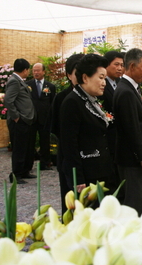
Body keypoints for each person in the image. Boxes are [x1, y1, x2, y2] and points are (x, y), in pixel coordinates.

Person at [59, 53, 114, 198]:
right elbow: (69, 144)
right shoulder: (72, 102)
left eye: (105, 78)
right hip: (86, 174)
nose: (104, 83)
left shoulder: (91, 100)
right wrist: (77, 178)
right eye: (101, 78)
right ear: (85, 78)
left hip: (100, 169)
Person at [113, 48, 142, 215]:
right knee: (134, 200)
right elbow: (132, 129)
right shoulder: (126, 92)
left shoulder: (131, 88)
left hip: (133, 157)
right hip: (132, 159)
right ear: (132, 66)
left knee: (138, 196)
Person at [50, 53, 84, 214]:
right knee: (70, 202)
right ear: (69, 74)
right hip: (68, 156)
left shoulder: (95, 95)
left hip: (89, 159)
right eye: (76, 72)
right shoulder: (62, 98)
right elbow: (56, 128)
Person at [4, 58, 37, 184]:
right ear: (25, 70)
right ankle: (16, 174)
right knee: (19, 148)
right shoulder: (14, 81)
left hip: (26, 120)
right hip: (20, 121)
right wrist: (16, 116)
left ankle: (24, 171)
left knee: (27, 147)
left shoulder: (18, 80)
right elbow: (8, 101)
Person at [98, 51, 124, 202]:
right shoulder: (102, 84)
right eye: (116, 64)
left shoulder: (121, 83)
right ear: (106, 65)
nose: (120, 68)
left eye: (122, 65)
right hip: (108, 135)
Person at [26, 63, 56, 170]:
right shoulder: (27, 85)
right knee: (30, 142)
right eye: (34, 70)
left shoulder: (50, 86)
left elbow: (53, 103)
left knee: (45, 141)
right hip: (31, 118)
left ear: (44, 72)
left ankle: (45, 163)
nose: (36, 73)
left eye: (38, 70)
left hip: (45, 119)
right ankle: (28, 165)